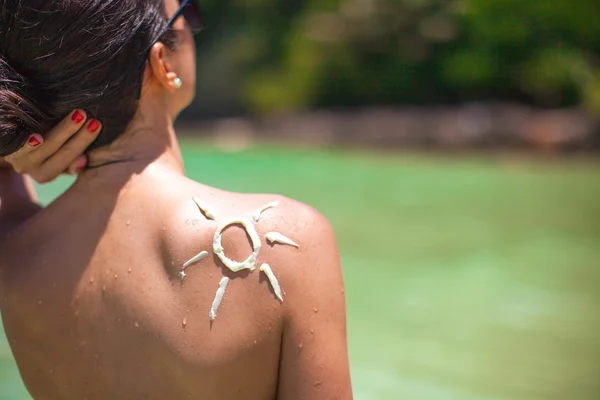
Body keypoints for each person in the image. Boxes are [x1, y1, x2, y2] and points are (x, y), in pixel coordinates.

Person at [0, 1, 352, 399]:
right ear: (161, 62)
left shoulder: (14, 252)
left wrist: (15, 154)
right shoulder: (291, 240)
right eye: (190, 14)